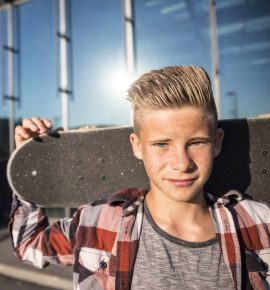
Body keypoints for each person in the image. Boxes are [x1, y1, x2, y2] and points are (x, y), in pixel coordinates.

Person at [10, 66, 270, 290]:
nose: (182, 163)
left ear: (217, 143)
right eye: (161, 144)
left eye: (196, 143)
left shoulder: (260, 224)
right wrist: (29, 169)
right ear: (137, 146)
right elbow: (29, 245)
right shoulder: (97, 221)